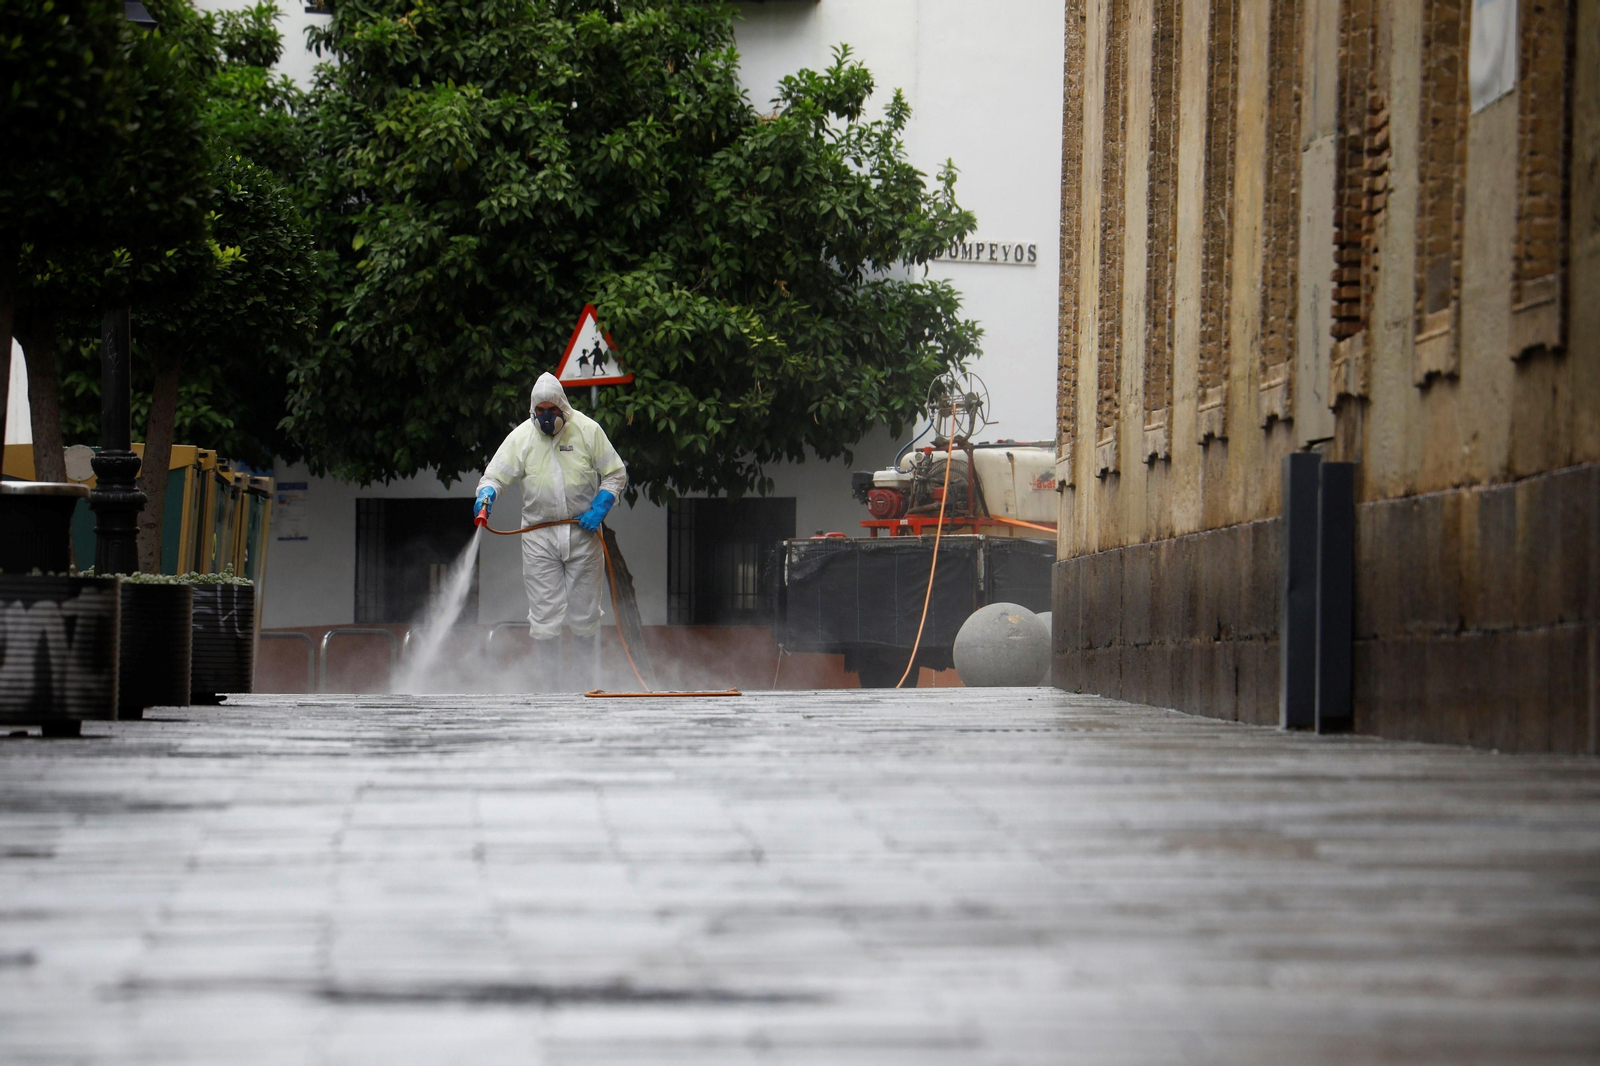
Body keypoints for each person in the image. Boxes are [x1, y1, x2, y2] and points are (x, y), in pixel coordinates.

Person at [474, 373, 625, 686]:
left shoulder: (587, 430)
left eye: (551, 410)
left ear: (563, 408)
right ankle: (551, 691)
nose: (546, 417)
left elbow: (615, 473)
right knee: (544, 618)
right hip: (538, 536)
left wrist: (600, 506)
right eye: (540, 410)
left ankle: (586, 686)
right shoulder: (522, 438)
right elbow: (495, 477)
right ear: (533, 410)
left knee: (585, 616)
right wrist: (486, 495)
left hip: (583, 533)